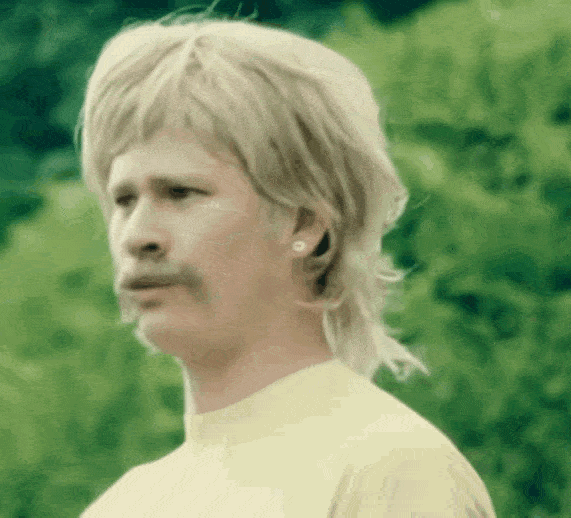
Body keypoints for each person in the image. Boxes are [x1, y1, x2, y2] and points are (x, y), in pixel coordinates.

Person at [75, 2, 496, 516]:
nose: (137, 235)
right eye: (124, 200)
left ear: (305, 224)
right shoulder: (125, 504)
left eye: (181, 193)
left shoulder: (393, 470)